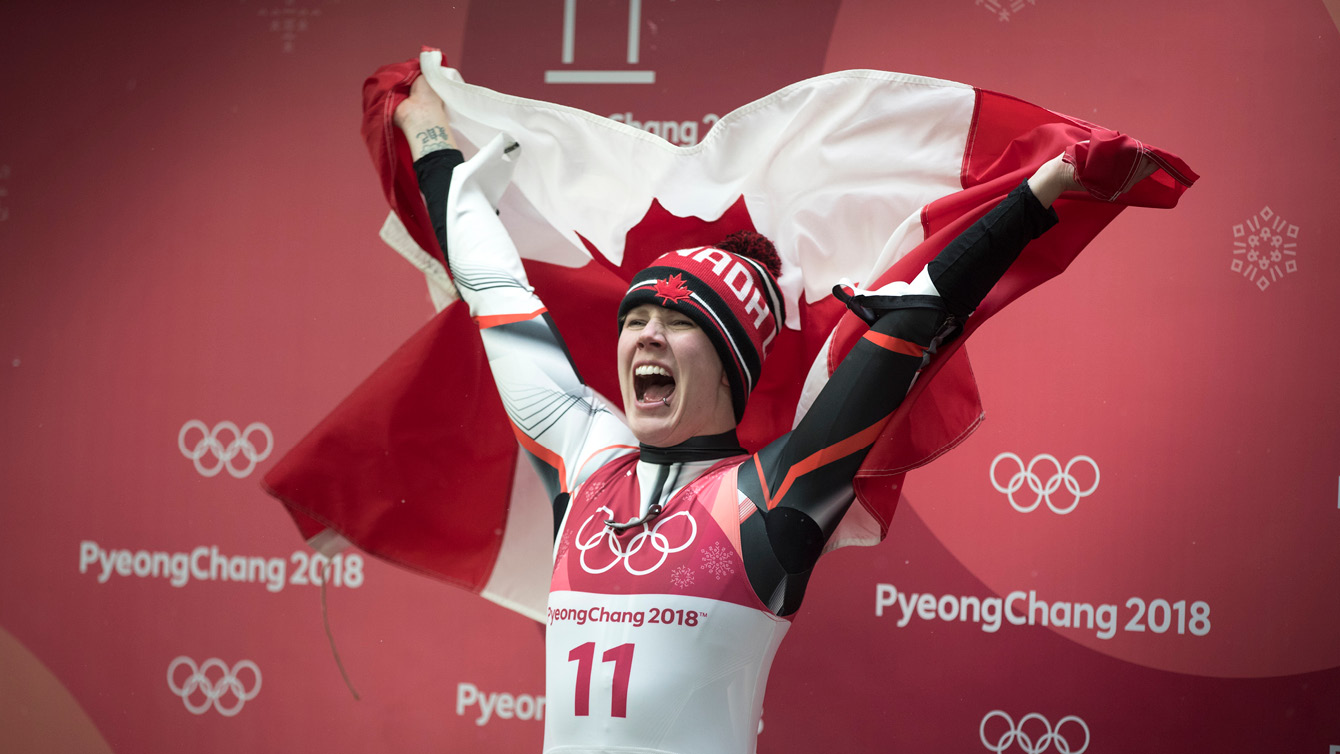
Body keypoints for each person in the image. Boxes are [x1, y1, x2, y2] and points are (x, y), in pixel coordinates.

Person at [391, 75, 1156, 754]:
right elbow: (490, 280)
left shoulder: (770, 498)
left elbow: (909, 327)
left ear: (729, 363)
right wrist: (426, 131)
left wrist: (1042, 192)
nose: (645, 333)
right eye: (635, 317)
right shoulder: (584, 452)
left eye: (679, 321)